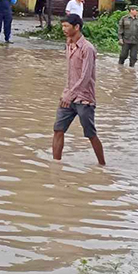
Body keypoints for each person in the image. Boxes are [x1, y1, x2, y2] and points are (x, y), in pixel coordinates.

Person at [53, 13, 106, 166]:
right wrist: (67, 94)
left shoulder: (88, 48)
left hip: (84, 98)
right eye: (62, 26)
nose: (63, 29)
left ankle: (102, 165)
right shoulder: (69, 44)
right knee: (58, 129)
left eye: (66, 26)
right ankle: (56, 165)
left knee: (90, 134)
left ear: (76, 27)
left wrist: (71, 95)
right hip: (68, 96)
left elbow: (86, 76)